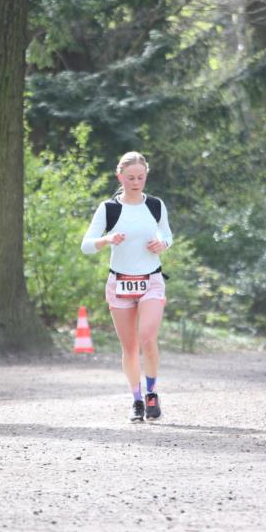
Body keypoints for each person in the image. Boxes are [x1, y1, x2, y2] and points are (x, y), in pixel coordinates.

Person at [81, 151, 173, 422]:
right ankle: (136, 400)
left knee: (147, 337)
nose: (136, 182)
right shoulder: (108, 208)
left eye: (141, 177)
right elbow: (86, 245)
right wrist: (107, 239)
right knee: (130, 347)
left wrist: (162, 244)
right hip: (119, 282)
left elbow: (167, 234)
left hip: (151, 281)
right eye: (130, 177)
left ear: (146, 176)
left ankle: (152, 392)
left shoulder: (155, 205)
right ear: (120, 177)